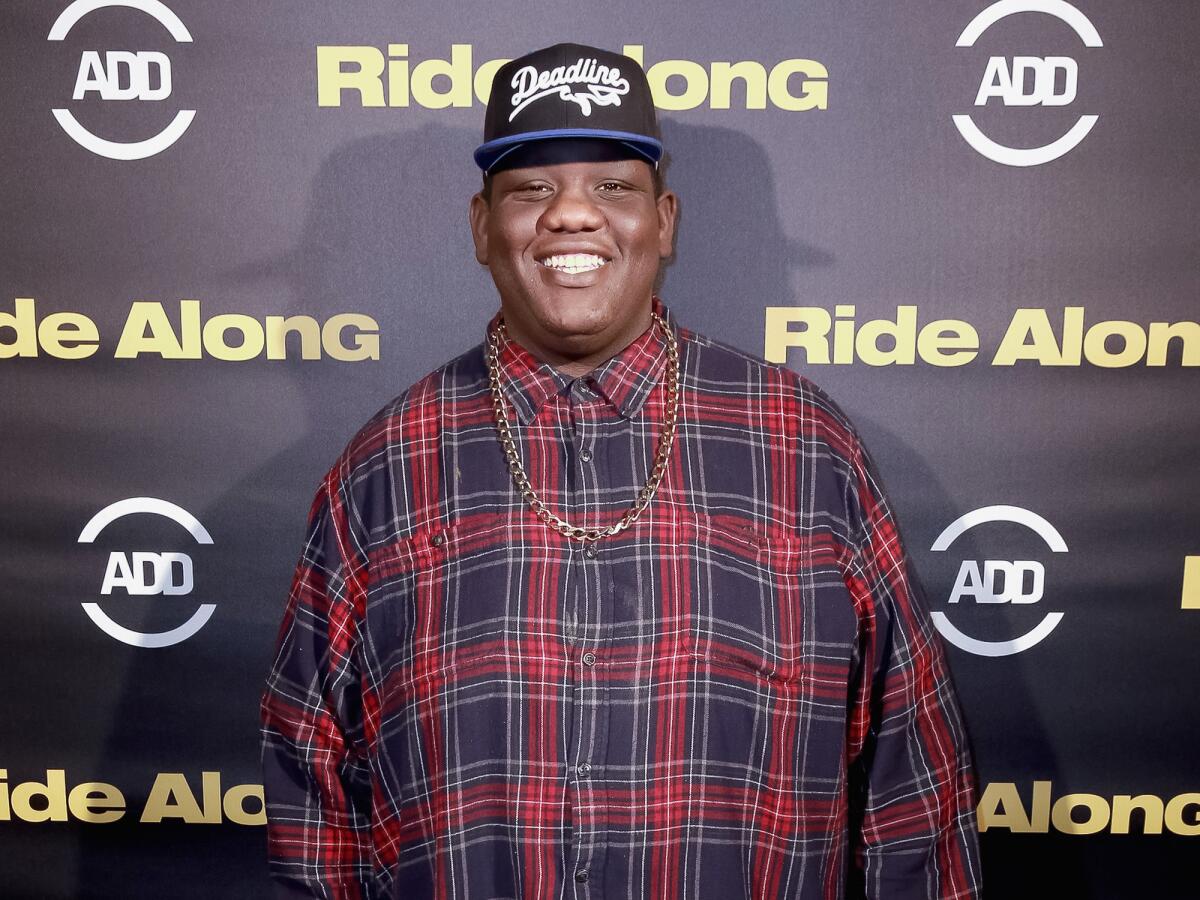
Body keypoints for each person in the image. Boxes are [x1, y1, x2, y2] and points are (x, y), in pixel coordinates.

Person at [261, 42, 981, 900]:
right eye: (531, 189)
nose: (572, 215)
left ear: (664, 222)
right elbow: (310, 787)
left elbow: (912, 784)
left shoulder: (802, 444)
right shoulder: (385, 463)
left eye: (613, 187)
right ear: (483, 227)